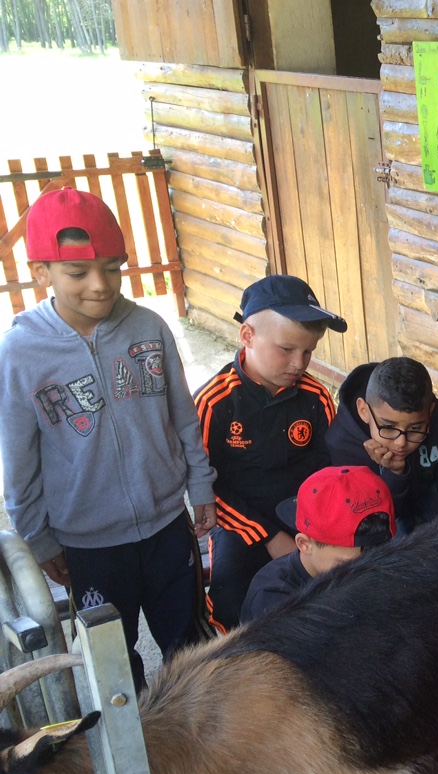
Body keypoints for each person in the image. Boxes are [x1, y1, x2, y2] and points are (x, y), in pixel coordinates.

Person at [0, 188, 216, 690]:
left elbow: (183, 416)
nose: (100, 286)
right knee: (113, 660)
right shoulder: (20, 353)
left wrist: (199, 485)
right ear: (41, 273)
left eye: (113, 268)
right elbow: (19, 458)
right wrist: (38, 537)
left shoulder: (150, 328)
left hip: (167, 526)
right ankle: (135, 737)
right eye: (77, 273)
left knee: (190, 647)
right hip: (87, 543)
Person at [195, 274, 342, 632]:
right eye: (286, 349)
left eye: (308, 352)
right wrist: (268, 536)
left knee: (326, 597)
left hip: (303, 519)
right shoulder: (214, 402)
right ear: (247, 336)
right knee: (230, 596)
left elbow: (328, 473)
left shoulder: (317, 398)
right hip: (237, 523)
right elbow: (205, 487)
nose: (299, 363)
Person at [325, 356, 438, 532]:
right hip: (385, 509)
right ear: (364, 411)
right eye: (388, 427)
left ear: (429, 413)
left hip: (429, 495)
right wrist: (394, 474)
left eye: (415, 428)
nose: (401, 443)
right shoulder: (343, 444)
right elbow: (377, 521)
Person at [240, 465, 396, 621]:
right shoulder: (275, 602)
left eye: (379, 556)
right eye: (347, 565)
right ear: (305, 544)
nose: (366, 574)